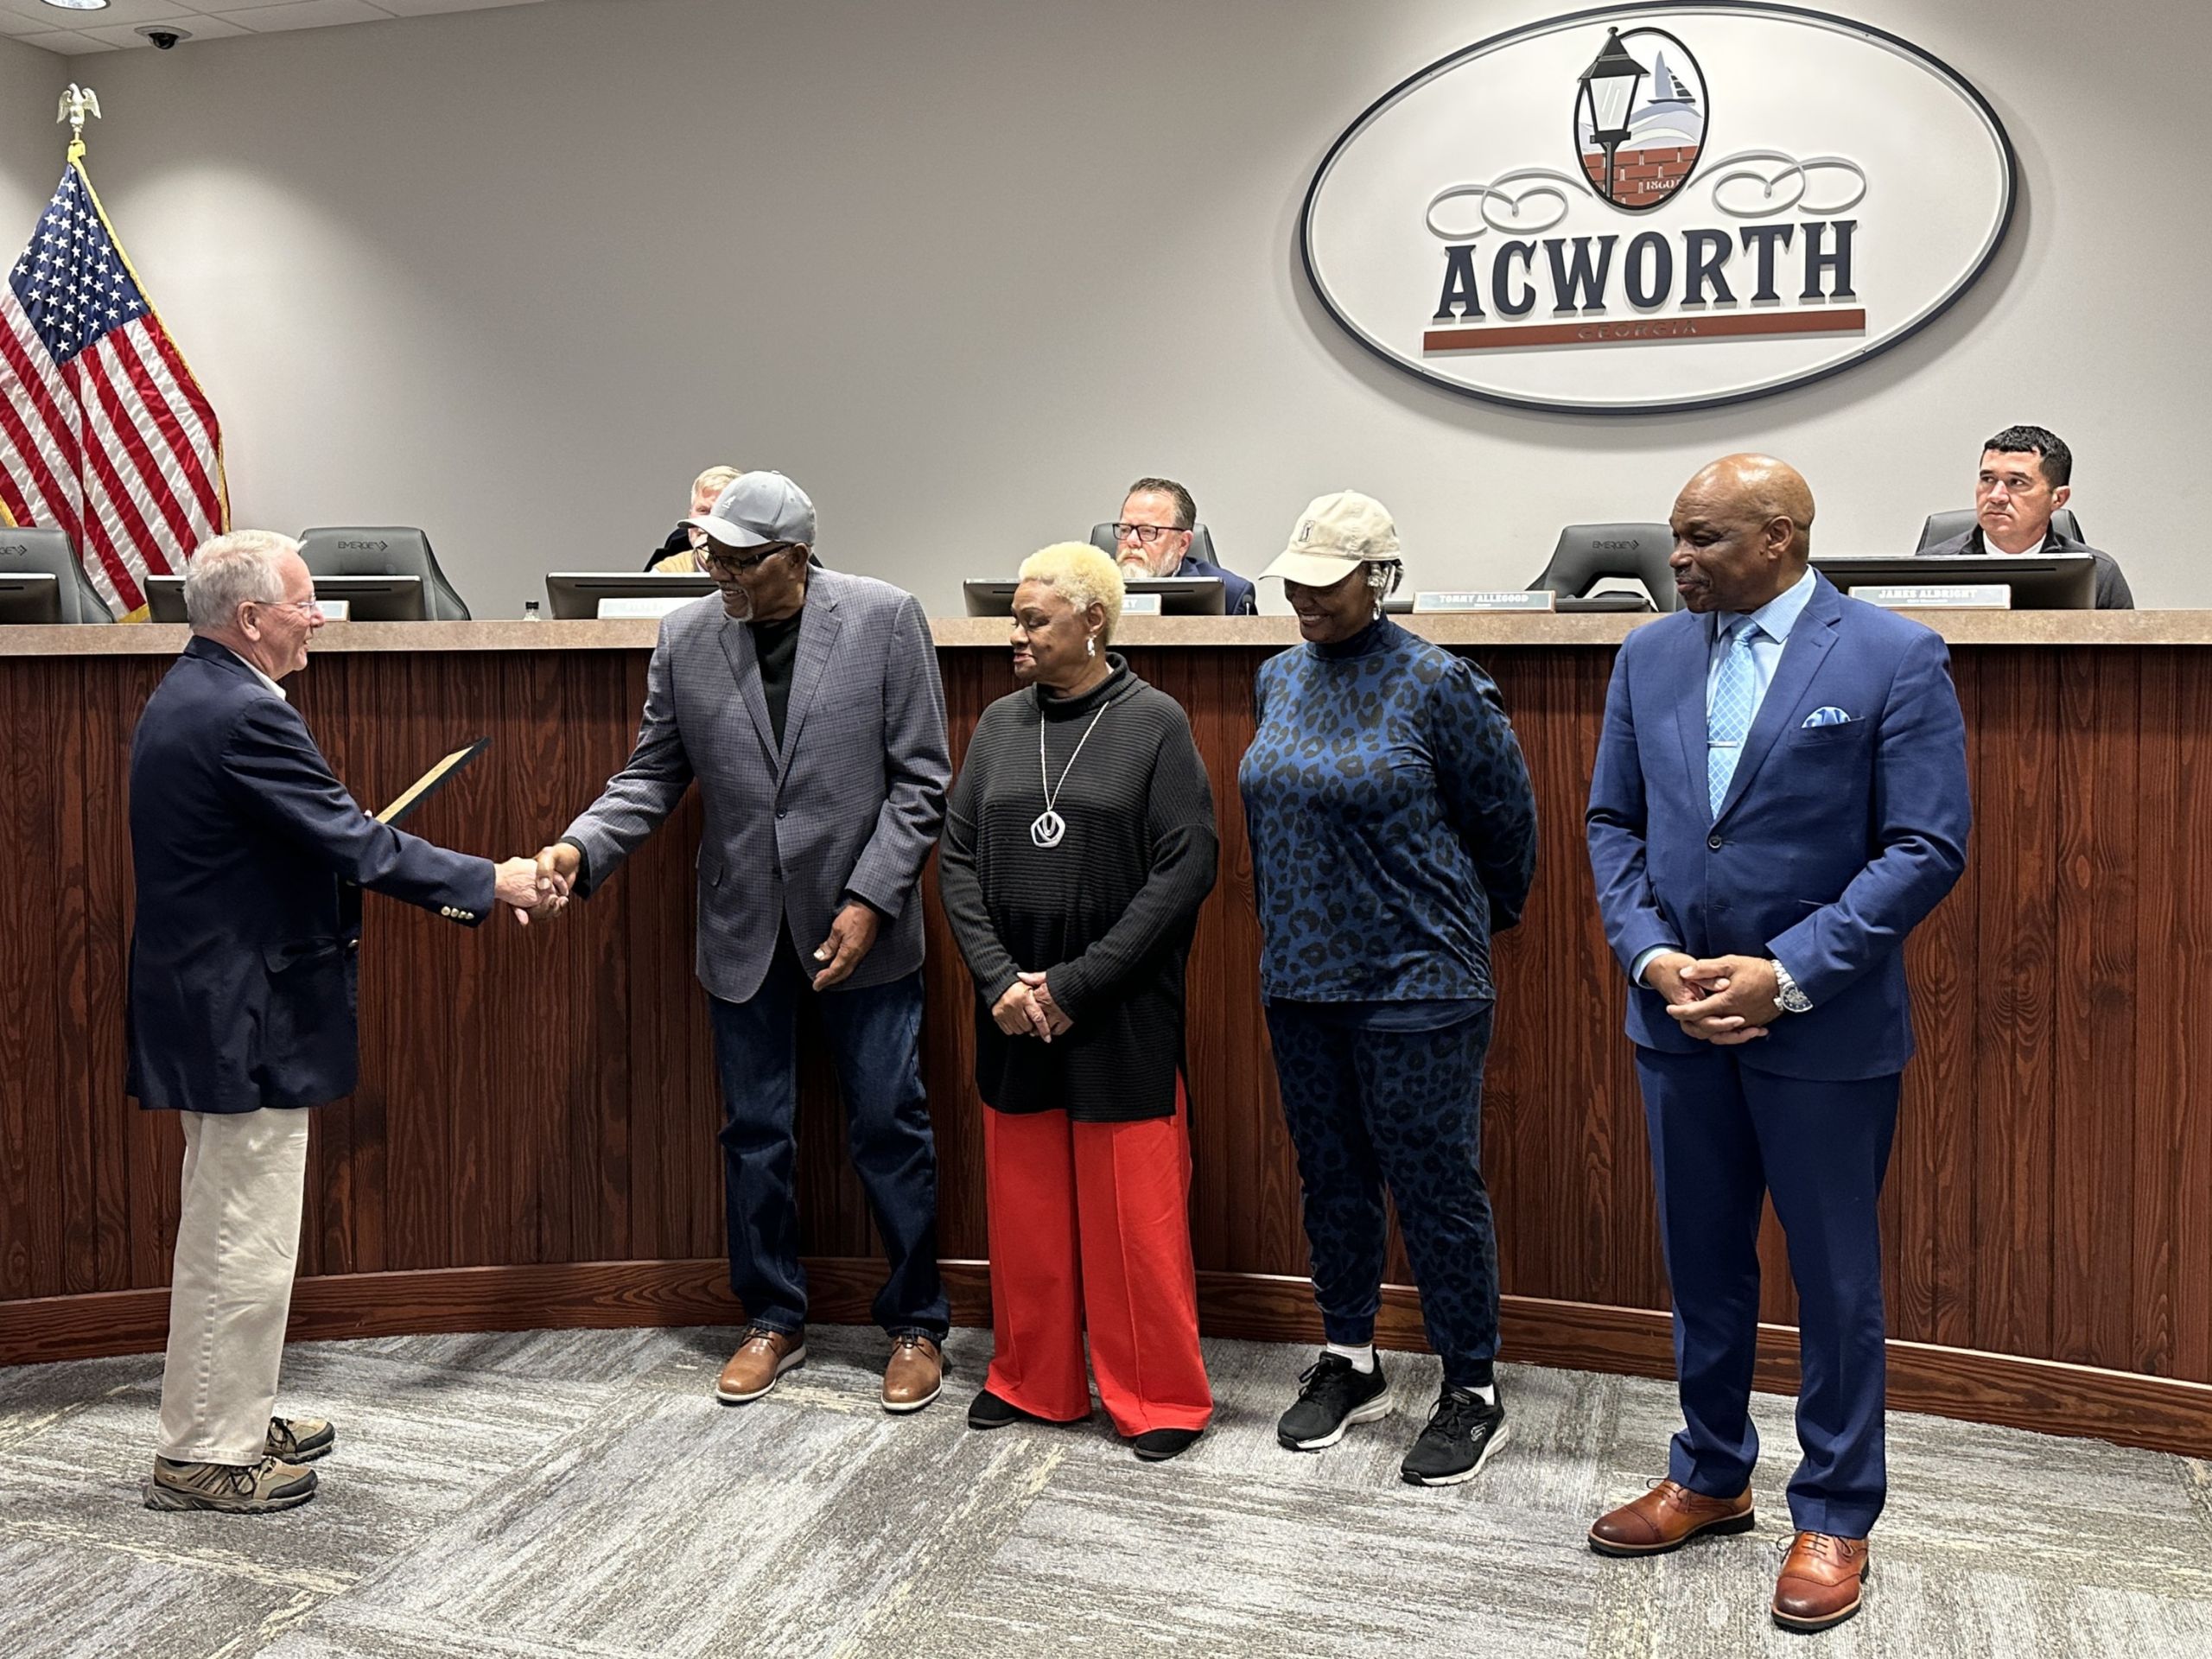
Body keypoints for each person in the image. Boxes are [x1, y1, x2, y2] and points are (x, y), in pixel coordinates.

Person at [1585, 454, 1970, 1632]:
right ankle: (1711, 1472)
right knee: (1703, 1264)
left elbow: (1924, 846)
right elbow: (1615, 822)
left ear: (1782, 538)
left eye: (1700, 539)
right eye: (1673, 537)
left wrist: (1787, 973)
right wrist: (1651, 956)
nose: (1677, 558)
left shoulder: (1892, 657)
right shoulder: (1648, 652)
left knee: (1836, 1280)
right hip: (1678, 1019)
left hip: (1822, 1031)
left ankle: (1837, 1513)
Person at [130, 531, 549, 1515]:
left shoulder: (197, 692)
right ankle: (205, 1450)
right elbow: (355, 840)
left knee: (230, 1226)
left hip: (217, 1005)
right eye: (306, 602)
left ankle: (227, 1408)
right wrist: (495, 879)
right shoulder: (242, 715)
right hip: (244, 1016)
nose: (320, 617)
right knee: (242, 1235)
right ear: (252, 620)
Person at [534, 471, 954, 1411]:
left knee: (890, 1127)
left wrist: (870, 899)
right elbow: (651, 775)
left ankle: (917, 1324)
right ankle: (773, 1318)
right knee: (755, 1135)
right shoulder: (687, 634)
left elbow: (921, 780)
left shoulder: (885, 619)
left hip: (861, 929)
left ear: (794, 558)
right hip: (742, 929)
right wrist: (578, 846)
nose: (713, 570)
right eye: (709, 553)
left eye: (734, 559)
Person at [1238, 491, 1538, 1487]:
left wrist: (1451, 928)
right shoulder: (1276, 677)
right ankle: (1351, 1356)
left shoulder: (1438, 682)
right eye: (1297, 581)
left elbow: (1507, 826)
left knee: (1435, 1186)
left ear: (1382, 579)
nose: (1307, 599)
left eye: (1330, 583)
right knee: (1330, 1176)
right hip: (1302, 977)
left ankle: (1470, 1387)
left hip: (1419, 978)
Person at [937, 542, 1218, 1463]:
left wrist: (1075, 984)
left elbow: (1184, 869)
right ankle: (1032, 1379)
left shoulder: (1155, 723)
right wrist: (999, 980)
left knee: (1133, 1222)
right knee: (1026, 1217)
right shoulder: (998, 725)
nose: (1015, 638)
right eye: (1015, 621)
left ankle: (1157, 1397)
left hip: (1118, 1008)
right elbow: (958, 859)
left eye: (1033, 622)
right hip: (1014, 1008)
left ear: (1092, 621)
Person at [1918, 424, 2133, 607]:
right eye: (1988, 479)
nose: (1996, 496)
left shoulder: (2100, 574)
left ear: (2058, 498)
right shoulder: (1927, 570)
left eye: (2016, 482)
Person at [1110, 476, 1257, 615]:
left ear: (1182, 543)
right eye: (1125, 529)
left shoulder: (1231, 595)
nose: (1132, 540)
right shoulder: (1091, 588)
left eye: (1147, 531)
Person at [645, 464, 744, 573]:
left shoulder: (762, 573)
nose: (709, 525)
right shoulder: (666, 573)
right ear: (690, 515)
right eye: (703, 511)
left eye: (721, 514)